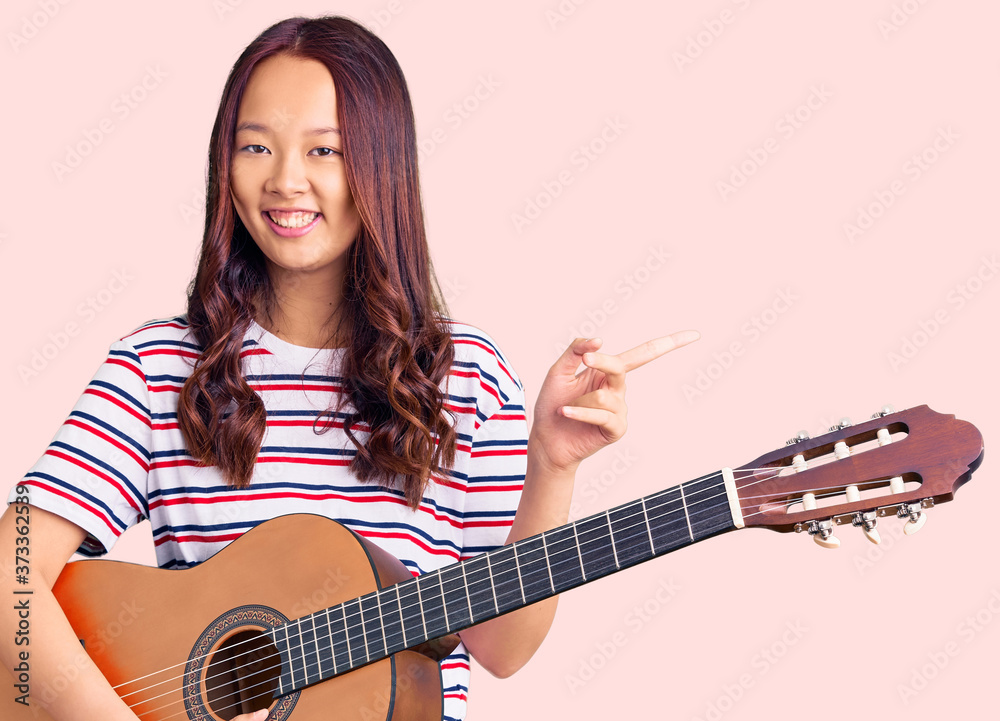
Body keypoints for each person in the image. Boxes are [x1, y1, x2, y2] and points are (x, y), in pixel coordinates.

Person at [0, 15, 698, 721]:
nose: (284, 181)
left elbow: (501, 647)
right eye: (255, 146)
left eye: (324, 150)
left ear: (380, 165)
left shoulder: (465, 374)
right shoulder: (159, 366)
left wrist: (552, 466)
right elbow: (10, 573)